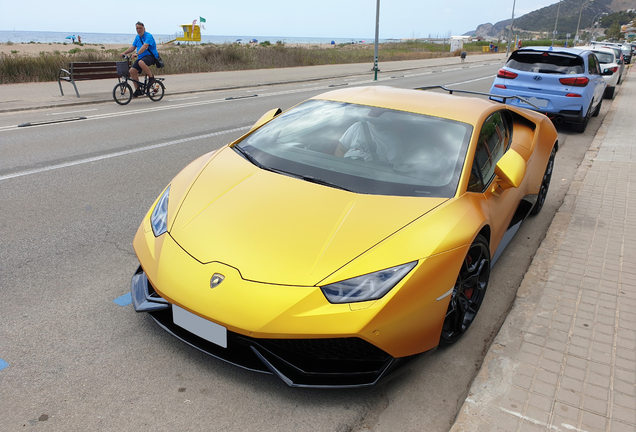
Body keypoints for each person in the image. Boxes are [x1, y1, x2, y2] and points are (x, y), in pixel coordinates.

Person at [121, 21, 159, 97]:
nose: (138, 30)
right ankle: (138, 90)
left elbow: (145, 46)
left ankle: (151, 78)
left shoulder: (148, 36)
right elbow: (133, 47)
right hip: (141, 57)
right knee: (132, 71)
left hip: (151, 57)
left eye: (140, 28)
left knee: (141, 62)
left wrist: (137, 54)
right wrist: (124, 53)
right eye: (137, 28)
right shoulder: (137, 37)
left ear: (144, 29)